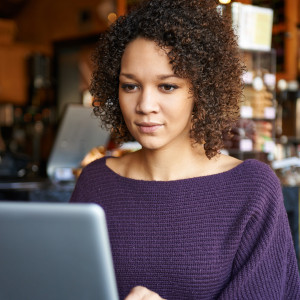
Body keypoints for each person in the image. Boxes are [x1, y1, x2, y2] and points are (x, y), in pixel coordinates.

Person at [70, 0, 300, 299]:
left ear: (202, 90)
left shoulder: (251, 188)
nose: (145, 106)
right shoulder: (95, 183)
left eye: (167, 86)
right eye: (130, 86)